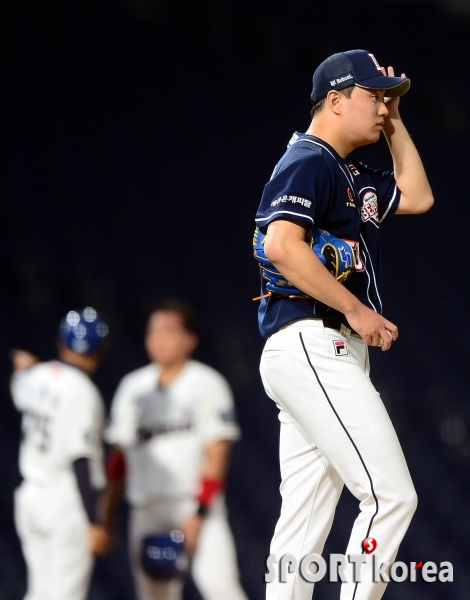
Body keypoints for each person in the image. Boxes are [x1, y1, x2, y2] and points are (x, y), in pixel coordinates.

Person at [254, 49, 434, 600]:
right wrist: (357, 309)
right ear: (335, 100)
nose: (383, 108)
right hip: (314, 338)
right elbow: (283, 246)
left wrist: (396, 120)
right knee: (390, 496)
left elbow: (420, 196)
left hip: (318, 349)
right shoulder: (310, 160)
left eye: (388, 99)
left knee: (304, 523)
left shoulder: (348, 172)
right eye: (374, 96)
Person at [103, 299, 248, 600]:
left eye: (168, 330)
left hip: (194, 506)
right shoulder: (132, 387)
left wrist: (199, 511)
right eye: (152, 331)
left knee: (223, 590)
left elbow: (217, 451)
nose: (158, 338)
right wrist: (106, 512)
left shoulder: (207, 383)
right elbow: (119, 458)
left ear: (190, 339)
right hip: (147, 509)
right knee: (154, 596)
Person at [11, 307, 111, 600]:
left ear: (60, 341)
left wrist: (24, 368)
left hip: (30, 498)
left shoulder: (36, 377)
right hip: (65, 503)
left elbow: (20, 389)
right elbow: (80, 460)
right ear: (100, 351)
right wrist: (94, 522)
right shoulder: (84, 392)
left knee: (39, 592)